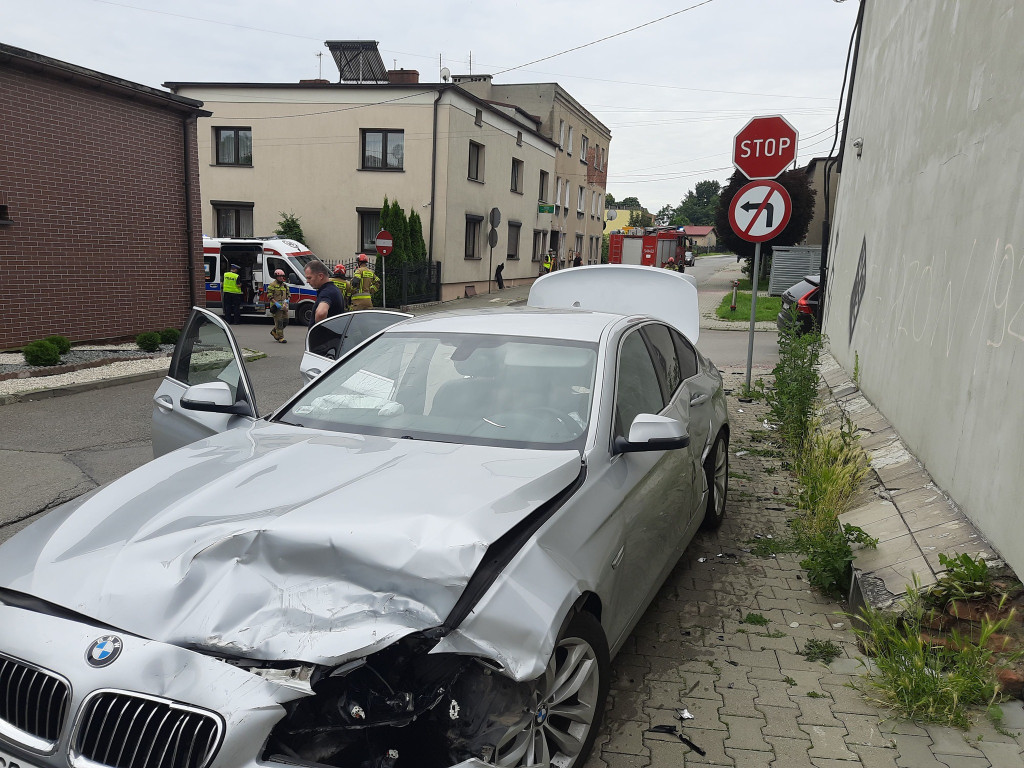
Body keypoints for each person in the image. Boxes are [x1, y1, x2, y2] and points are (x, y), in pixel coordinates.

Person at [303, 260, 346, 326]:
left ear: (321, 276)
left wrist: (319, 332)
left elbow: (321, 313)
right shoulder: (333, 289)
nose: (307, 281)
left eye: (309, 278)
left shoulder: (326, 292)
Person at [266, 269, 291, 343]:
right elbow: (269, 295)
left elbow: (288, 294)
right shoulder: (272, 285)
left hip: (284, 306)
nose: (281, 278)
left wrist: (287, 300)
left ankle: (274, 331)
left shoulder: (285, 285)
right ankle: (281, 338)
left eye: (282, 276)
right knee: (279, 322)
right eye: (279, 276)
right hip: (276, 307)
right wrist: (275, 303)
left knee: (285, 321)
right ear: (276, 277)